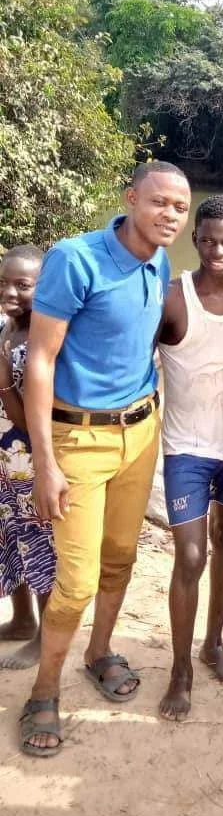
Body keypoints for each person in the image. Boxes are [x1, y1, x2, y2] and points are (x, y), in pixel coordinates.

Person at [19, 160, 191, 756]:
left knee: (120, 558)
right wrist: (45, 463)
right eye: (159, 202)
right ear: (131, 199)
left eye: (180, 207)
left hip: (139, 434)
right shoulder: (76, 259)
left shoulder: (158, 260)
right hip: (79, 440)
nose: (170, 215)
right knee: (75, 581)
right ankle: (44, 691)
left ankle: (99, 650)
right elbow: (40, 359)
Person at [157, 195, 223, 722]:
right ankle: (180, 670)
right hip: (184, 450)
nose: (218, 250)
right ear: (194, 239)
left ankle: (213, 643)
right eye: (209, 240)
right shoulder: (173, 298)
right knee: (191, 557)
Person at [0, 245, 56, 670]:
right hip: (5, 461)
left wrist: (2, 379)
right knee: (9, 539)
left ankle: (44, 636)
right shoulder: (6, 329)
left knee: (38, 544)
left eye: (23, 285)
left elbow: (26, 419)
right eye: (4, 283)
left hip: (30, 459)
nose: (10, 293)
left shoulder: (40, 338)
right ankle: (21, 619)